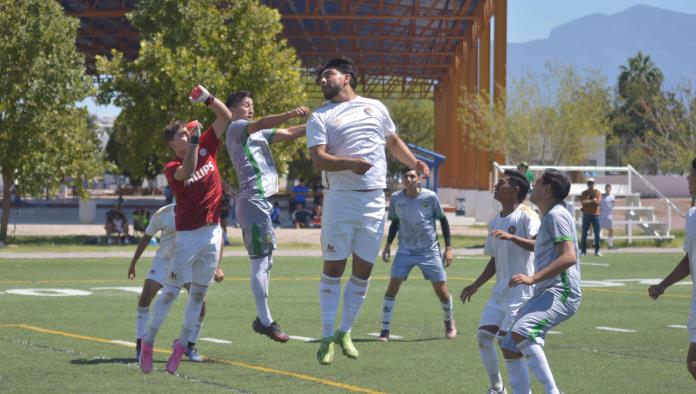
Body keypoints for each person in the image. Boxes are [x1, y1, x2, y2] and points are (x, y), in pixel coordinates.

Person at [307, 57, 430, 365]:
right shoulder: (319, 116)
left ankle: (344, 332)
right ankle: (325, 338)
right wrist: (350, 164)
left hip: (375, 201)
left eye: (328, 74)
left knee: (364, 271)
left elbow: (393, 141)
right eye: (320, 78)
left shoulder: (375, 107)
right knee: (333, 269)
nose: (322, 80)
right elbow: (319, 160)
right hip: (339, 199)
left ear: (347, 77)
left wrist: (414, 163)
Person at [139, 84, 229, 375]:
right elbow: (187, 172)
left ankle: (181, 346)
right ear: (173, 144)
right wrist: (192, 143)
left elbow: (225, 117)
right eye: (181, 135)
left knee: (199, 296)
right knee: (169, 294)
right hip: (187, 236)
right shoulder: (172, 164)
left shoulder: (205, 146)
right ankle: (149, 341)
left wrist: (207, 98)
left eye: (186, 133)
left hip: (212, 231)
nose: (187, 136)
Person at [225, 89, 309, 342]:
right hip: (253, 200)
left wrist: (317, 121)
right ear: (232, 109)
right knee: (260, 262)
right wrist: (290, 113)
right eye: (245, 104)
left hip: (260, 202)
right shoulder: (237, 127)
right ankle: (265, 321)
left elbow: (289, 133)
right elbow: (261, 123)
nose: (250, 108)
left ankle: (264, 319)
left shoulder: (256, 132)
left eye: (252, 104)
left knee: (267, 260)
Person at [500, 169, 582, 394]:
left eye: (536, 182)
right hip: (545, 292)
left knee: (522, 331)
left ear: (547, 189)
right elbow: (543, 246)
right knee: (509, 344)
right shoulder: (549, 216)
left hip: (561, 291)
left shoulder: (557, 215)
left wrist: (532, 277)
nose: (531, 185)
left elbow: (569, 256)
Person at [461, 169, 540, 394]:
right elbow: (495, 260)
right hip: (500, 294)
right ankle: (497, 388)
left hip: (522, 293)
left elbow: (539, 245)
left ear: (515, 190)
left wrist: (512, 237)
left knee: (509, 345)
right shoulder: (495, 220)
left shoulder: (528, 215)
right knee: (484, 338)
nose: (496, 186)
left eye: (501, 183)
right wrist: (475, 285)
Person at [127, 204, 224, 362]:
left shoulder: (201, 213)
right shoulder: (163, 214)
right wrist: (133, 263)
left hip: (187, 263)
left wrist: (218, 266)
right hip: (163, 262)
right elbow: (146, 237)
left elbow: (218, 236)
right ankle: (141, 345)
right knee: (145, 297)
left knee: (201, 304)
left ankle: (189, 345)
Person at [379, 168, 454, 341]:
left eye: (412, 176)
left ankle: (449, 322)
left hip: (429, 250)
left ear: (419, 179)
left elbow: (442, 220)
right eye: (405, 176)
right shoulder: (397, 198)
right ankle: (384, 329)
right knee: (393, 286)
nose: (408, 179)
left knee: (442, 291)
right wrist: (388, 245)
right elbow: (395, 223)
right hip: (405, 250)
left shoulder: (430, 197)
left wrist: (448, 247)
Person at [648, 157, 696, 380]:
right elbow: (690, 259)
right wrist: (663, 285)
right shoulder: (693, 216)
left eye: (692, 173)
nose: (688, 178)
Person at [580, 178, 601, 256]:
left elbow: (598, 202)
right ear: (587, 184)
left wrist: (588, 202)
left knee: (597, 233)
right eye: (589, 183)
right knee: (584, 233)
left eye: (591, 183)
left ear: (594, 184)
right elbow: (583, 202)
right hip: (586, 215)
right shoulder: (584, 193)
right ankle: (583, 251)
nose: (590, 184)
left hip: (596, 215)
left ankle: (597, 251)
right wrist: (592, 201)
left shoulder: (597, 192)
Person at [599, 184, 615, 250]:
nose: (608, 189)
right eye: (607, 188)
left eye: (609, 188)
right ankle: (597, 244)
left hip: (609, 216)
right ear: (605, 189)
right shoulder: (601, 196)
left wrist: (612, 204)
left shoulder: (612, 196)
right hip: (602, 215)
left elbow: (613, 204)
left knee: (611, 229)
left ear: (610, 189)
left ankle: (610, 245)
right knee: (598, 229)